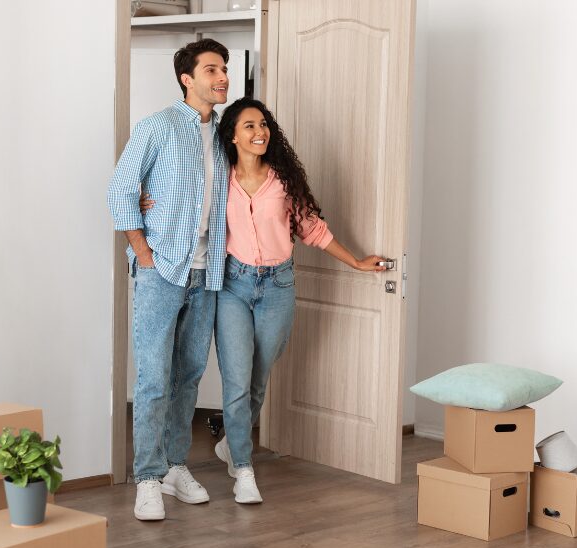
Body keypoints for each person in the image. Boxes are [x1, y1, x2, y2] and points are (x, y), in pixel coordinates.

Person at [141, 97, 385, 503]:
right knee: (236, 384)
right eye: (250, 126)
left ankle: (229, 446)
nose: (260, 132)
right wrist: (146, 196)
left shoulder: (283, 181)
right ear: (232, 136)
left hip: (278, 288)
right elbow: (184, 201)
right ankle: (243, 469)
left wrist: (357, 262)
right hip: (232, 286)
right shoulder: (218, 178)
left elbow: (313, 230)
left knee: (257, 382)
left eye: (264, 125)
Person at [107, 38, 231, 521]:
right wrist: (144, 252)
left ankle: (177, 465)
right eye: (211, 70)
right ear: (187, 78)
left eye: (223, 69)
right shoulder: (156, 127)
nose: (221, 78)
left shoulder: (224, 136)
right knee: (154, 378)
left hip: (208, 271)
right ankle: (148, 477)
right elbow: (120, 190)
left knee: (189, 377)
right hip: (162, 270)